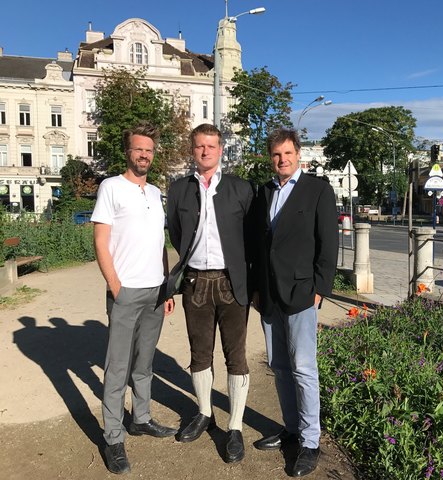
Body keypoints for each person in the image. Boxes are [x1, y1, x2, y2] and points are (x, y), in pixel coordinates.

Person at [92, 122, 177, 475]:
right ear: (129, 151)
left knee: (144, 364)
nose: (144, 155)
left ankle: (140, 418)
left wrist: (167, 287)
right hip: (126, 291)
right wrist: (115, 285)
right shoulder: (111, 187)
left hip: (156, 292)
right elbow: (100, 240)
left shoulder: (156, 192)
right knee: (117, 368)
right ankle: (113, 437)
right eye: (139, 149)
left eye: (150, 150)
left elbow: (159, 243)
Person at [165, 123, 254, 463]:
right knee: (199, 353)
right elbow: (176, 231)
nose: (206, 151)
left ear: (220, 150)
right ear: (193, 150)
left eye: (211, 146)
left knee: (237, 357)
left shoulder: (240, 189)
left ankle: (235, 427)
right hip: (196, 283)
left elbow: (250, 237)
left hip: (232, 283)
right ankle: (204, 413)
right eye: (200, 146)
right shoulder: (179, 190)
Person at [252, 128, 338, 477]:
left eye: (287, 153)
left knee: (303, 367)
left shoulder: (317, 189)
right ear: (270, 158)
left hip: (302, 293)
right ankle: (291, 429)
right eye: (276, 155)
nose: (282, 160)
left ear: (298, 154)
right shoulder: (265, 191)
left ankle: (310, 441)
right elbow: (259, 244)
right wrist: (257, 288)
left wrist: (320, 287)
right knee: (279, 364)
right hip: (269, 295)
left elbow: (328, 241)